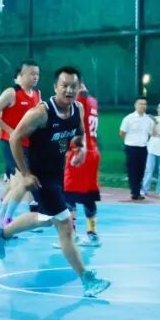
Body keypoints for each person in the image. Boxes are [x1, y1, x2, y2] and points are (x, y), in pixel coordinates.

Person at [0, 66, 110, 298]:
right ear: (55, 87)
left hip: (57, 173)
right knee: (65, 224)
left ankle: (0, 234)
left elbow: (79, 132)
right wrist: (26, 174)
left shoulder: (78, 109)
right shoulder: (41, 113)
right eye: (64, 86)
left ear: (79, 88)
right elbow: (14, 138)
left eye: (73, 86)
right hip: (39, 175)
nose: (69, 90)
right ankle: (87, 279)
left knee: (45, 219)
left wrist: (80, 148)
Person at [0, 60, 41, 226]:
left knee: (16, 184)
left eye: (37, 74)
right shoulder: (11, 93)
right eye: (31, 74)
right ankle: (5, 220)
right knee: (22, 181)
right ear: (21, 75)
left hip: (28, 145)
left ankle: (1, 219)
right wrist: (11, 132)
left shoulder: (37, 95)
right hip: (10, 143)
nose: (35, 77)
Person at [61, 82, 102, 247]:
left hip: (80, 152)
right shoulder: (93, 101)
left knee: (68, 195)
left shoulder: (77, 101)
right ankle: (92, 234)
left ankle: (71, 235)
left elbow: (76, 126)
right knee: (88, 196)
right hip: (93, 152)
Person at [119, 97, 154, 200]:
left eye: (144, 104)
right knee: (132, 169)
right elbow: (122, 133)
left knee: (141, 170)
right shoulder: (128, 118)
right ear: (135, 105)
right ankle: (135, 192)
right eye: (140, 104)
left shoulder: (148, 120)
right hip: (131, 147)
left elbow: (150, 133)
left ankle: (137, 190)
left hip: (143, 147)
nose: (142, 106)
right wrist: (129, 141)